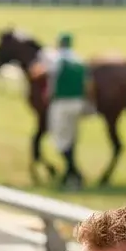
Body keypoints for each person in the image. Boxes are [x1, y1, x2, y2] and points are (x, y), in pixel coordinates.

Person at [39, 32, 86, 189]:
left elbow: (52, 79)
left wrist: (48, 94)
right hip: (78, 103)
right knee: (71, 138)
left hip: (62, 103)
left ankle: (75, 174)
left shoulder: (58, 59)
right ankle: (71, 174)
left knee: (59, 140)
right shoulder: (79, 59)